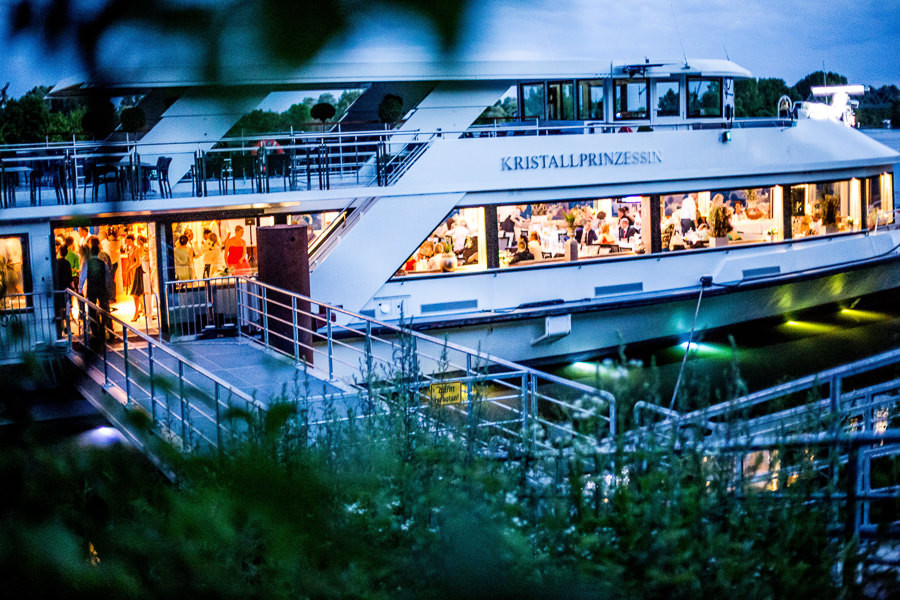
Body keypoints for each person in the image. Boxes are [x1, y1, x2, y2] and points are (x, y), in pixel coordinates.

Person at [81, 237, 111, 344]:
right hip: (102, 288)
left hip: (92, 289)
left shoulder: (86, 263)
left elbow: (83, 276)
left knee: (92, 310)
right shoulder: (102, 263)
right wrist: (108, 287)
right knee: (104, 309)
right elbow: (108, 276)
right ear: (98, 252)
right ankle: (105, 329)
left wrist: (80, 289)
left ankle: (95, 331)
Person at [128, 236, 150, 321]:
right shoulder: (146, 250)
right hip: (145, 271)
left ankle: (137, 312)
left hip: (138, 271)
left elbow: (138, 263)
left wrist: (130, 268)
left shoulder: (137, 250)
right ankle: (143, 310)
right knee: (141, 292)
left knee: (136, 293)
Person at [54, 245, 74, 337]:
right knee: (67, 308)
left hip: (58, 289)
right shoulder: (67, 263)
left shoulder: (56, 263)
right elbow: (70, 278)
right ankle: (67, 327)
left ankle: (61, 326)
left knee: (60, 308)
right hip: (66, 289)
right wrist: (74, 288)